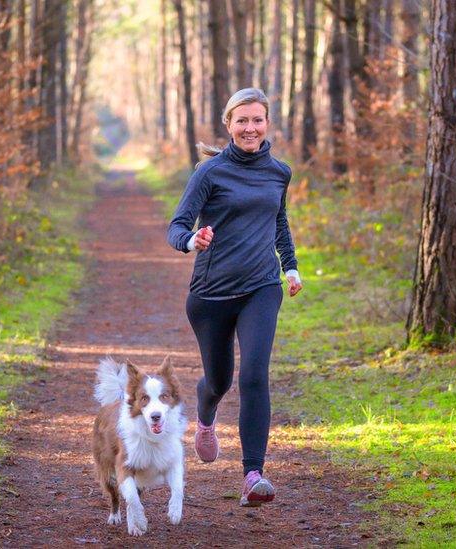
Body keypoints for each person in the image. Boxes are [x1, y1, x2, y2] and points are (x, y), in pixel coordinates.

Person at [167, 88, 302, 507]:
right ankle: (205, 418)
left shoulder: (279, 172)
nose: (250, 128)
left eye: (257, 120)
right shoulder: (209, 174)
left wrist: (290, 267)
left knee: (254, 376)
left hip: (262, 287)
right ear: (229, 125)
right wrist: (192, 241)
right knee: (220, 380)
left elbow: (278, 222)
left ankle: (253, 475)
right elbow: (177, 226)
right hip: (211, 295)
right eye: (242, 120)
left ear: (267, 124)